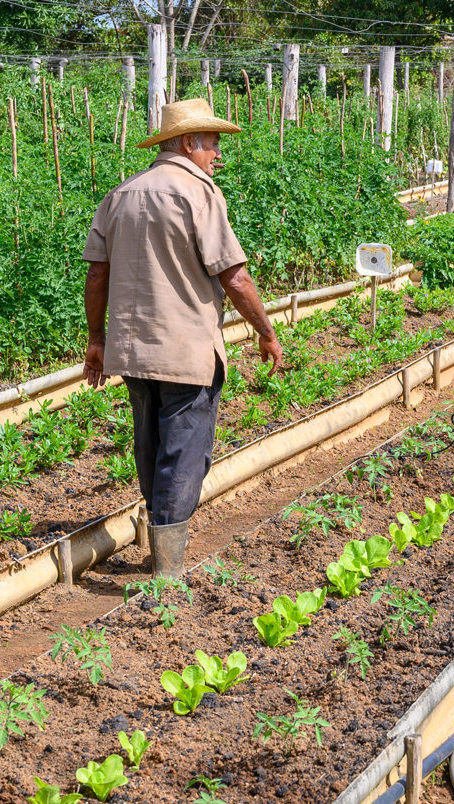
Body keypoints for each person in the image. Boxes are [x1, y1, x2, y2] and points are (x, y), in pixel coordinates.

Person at [81, 98, 283, 579]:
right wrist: (267, 331)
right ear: (190, 144)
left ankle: (160, 550)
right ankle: (167, 573)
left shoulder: (121, 195)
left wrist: (96, 339)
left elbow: (96, 276)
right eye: (213, 144)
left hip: (133, 351)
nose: (217, 155)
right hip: (187, 351)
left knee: (150, 447)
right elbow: (234, 277)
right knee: (184, 454)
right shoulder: (198, 194)